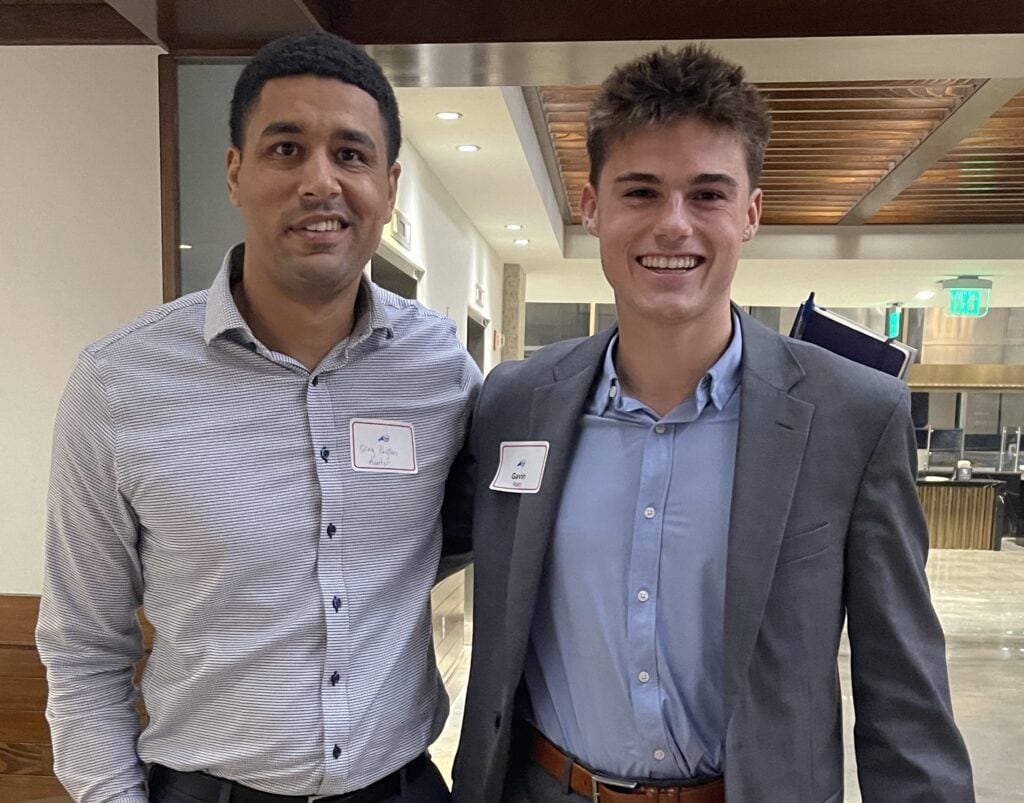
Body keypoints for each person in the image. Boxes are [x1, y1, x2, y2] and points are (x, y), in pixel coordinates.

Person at [452, 46, 973, 803]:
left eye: (707, 194)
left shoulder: (852, 417)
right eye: (640, 191)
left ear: (750, 213)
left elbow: (905, 697)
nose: (673, 225)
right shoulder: (513, 404)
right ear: (591, 207)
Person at [36, 31, 478, 803]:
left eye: (350, 154)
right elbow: (83, 648)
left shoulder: (442, 369)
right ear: (236, 172)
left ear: (388, 187)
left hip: (399, 786)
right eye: (286, 149)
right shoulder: (118, 384)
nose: (320, 181)